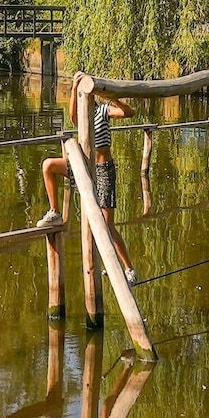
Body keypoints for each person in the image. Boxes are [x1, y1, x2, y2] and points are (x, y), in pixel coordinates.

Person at [37, 76, 136, 281]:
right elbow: (73, 116)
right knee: (48, 165)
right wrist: (74, 88)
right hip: (83, 166)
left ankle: (128, 269)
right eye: (83, 95)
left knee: (107, 226)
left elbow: (129, 112)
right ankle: (54, 211)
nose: (85, 98)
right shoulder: (82, 115)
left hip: (102, 169)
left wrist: (112, 96)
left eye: (87, 94)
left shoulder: (103, 110)